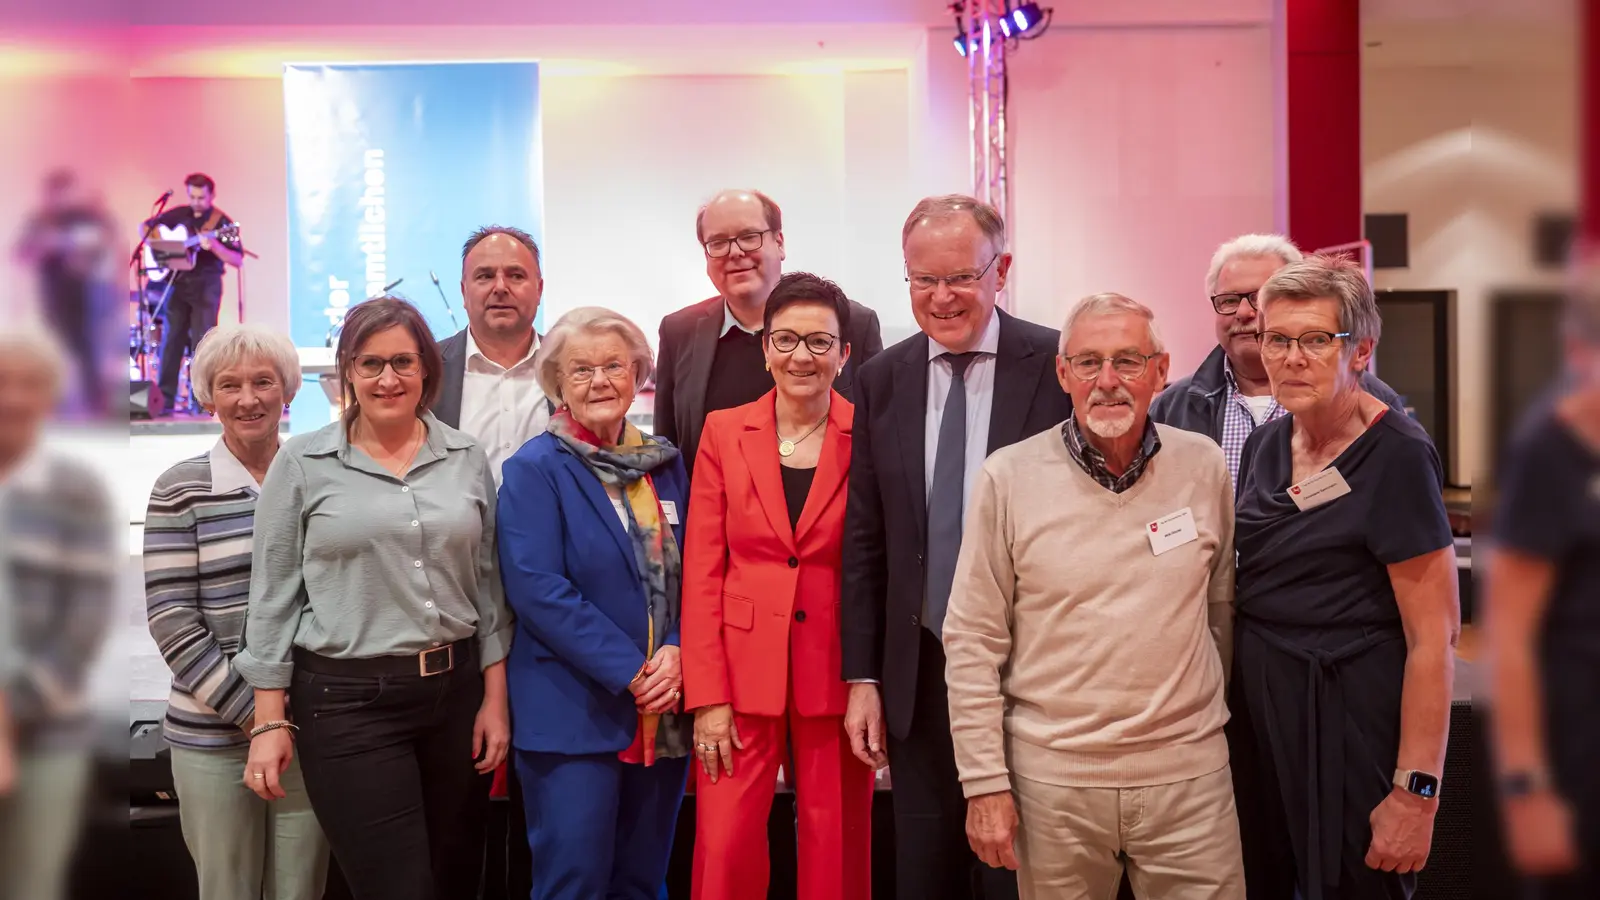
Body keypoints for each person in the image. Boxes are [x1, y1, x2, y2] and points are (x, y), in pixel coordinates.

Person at [943, 293, 1244, 899]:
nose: (1108, 381)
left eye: (1128, 361)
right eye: (1088, 363)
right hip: (1053, 787)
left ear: (1161, 371)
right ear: (1063, 374)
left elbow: (1220, 614)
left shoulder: (1203, 466)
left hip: (1190, 784)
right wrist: (983, 783)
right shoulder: (1008, 477)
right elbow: (972, 640)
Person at [234, 297, 513, 900]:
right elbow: (273, 596)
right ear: (348, 373)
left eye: (403, 362)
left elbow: (487, 585)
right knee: (398, 887)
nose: (388, 378)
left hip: (456, 696)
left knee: (457, 880)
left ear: (426, 371)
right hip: (347, 702)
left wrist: (495, 700)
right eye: (371, 363)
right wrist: (269, 720)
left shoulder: (465, 458)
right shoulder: (303, 461)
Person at [840, 194, 1073, 900]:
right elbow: (866, 538)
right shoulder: (882, 377)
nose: (943, 298)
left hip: (1029, 670)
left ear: (1000, 270)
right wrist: (864, 677)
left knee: (1017, 877)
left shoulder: (1058, 364)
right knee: (924, 874)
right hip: (919, 670)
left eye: (961, 278)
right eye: (924, 280)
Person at [1230, 254, 1459, 900]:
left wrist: (1416, 797)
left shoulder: (1399, 456)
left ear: (1360, 351)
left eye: (1314, 341)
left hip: (1353, 719)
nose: (1292, 358)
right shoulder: (1266, 446)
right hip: (1267, 723)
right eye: (1278, 339)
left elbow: (1434, 637)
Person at [682, 273, 875, 900]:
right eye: (786, 340)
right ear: (765, 348)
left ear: (845, 354)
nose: (801, 357)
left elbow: (880, 564)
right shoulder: (722, 431)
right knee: (724, 849)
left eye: (819, 343)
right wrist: (707, 694)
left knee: (837, 854)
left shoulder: (869, 432)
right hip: (738, 678)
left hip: (837, 674)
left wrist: (872, 682)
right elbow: (704, 569)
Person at [496, 307, 691, 899]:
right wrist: (632, 671)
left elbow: (700, 569)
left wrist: (680, 648)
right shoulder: (534, 469)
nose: (599, 381)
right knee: (573, 884)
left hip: (665, 710)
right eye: (581, 370)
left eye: (614, 365)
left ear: (638, 375)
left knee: (643, 880)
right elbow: (538, 590)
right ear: (558, 384)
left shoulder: (666, 462)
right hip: (574, 716)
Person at [143, 324, 329, 900]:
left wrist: (289, 718)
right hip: (213, 736)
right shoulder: (181, 489)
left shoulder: (321, 477)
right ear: (208, 396)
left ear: (287, 391)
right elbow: (172, 618)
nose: (248, 398)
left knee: (300, 890)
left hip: (310, 730)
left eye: (263, 382)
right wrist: (259, 717)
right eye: (230, 385)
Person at [1485, 251, 1600, 897]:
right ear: (1581, 354)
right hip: (1581, 755)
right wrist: (1527, 788)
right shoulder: (1549, 453)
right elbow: (1511, 635)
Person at [0, 323, 115, 900]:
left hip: (46, 736)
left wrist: (10, 716)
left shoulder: (75, 491)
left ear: (49, 397)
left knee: (31, 886)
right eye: (2, 383)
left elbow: (84, 622)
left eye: (30, 385)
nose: (13, 397)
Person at [654, 189, 883, 477]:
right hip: (714, 514)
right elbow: (668, 450)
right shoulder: (679, 331)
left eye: (749, 236)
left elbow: (881, 436)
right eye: (718, 242)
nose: (735, 252)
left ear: (779, 242)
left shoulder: (853, 323)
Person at [1150, 233, 1405, 486]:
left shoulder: (1374, 402)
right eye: (1228, 300)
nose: (1243, 313)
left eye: (1259, 298)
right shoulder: (1173, 407)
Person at [433, 225, 552, 481]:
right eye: (485, 276)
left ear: (539, 289)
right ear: (464, 292)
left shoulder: (568, 365)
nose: (500, 287)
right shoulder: (425, 368)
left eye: (516, 276)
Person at [13, 169, 117, 416]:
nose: (59, 199)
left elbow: (102, 242)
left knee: (84, 345)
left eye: (64, 193)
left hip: (82, 291)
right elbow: (21, 254)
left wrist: (72, 246)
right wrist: (43, 246)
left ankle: (96, 402)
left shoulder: (82, 217)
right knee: (54, 345)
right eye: (55, 193)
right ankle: (55, 401)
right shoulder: (39, 220)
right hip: (51, 291)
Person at [143, 173, 247, 414]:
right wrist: (160, 247)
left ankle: (200, 401)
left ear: (212, 196)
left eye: (201, 197)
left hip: (206, 287)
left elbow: (237, 259)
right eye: (192, 196)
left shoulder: (221, 223)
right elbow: (145, 228)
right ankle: (165, 399)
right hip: (177, 283)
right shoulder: (179, 214)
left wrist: (216, 246)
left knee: (203, 344)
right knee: (171, 340)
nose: (196, 202)